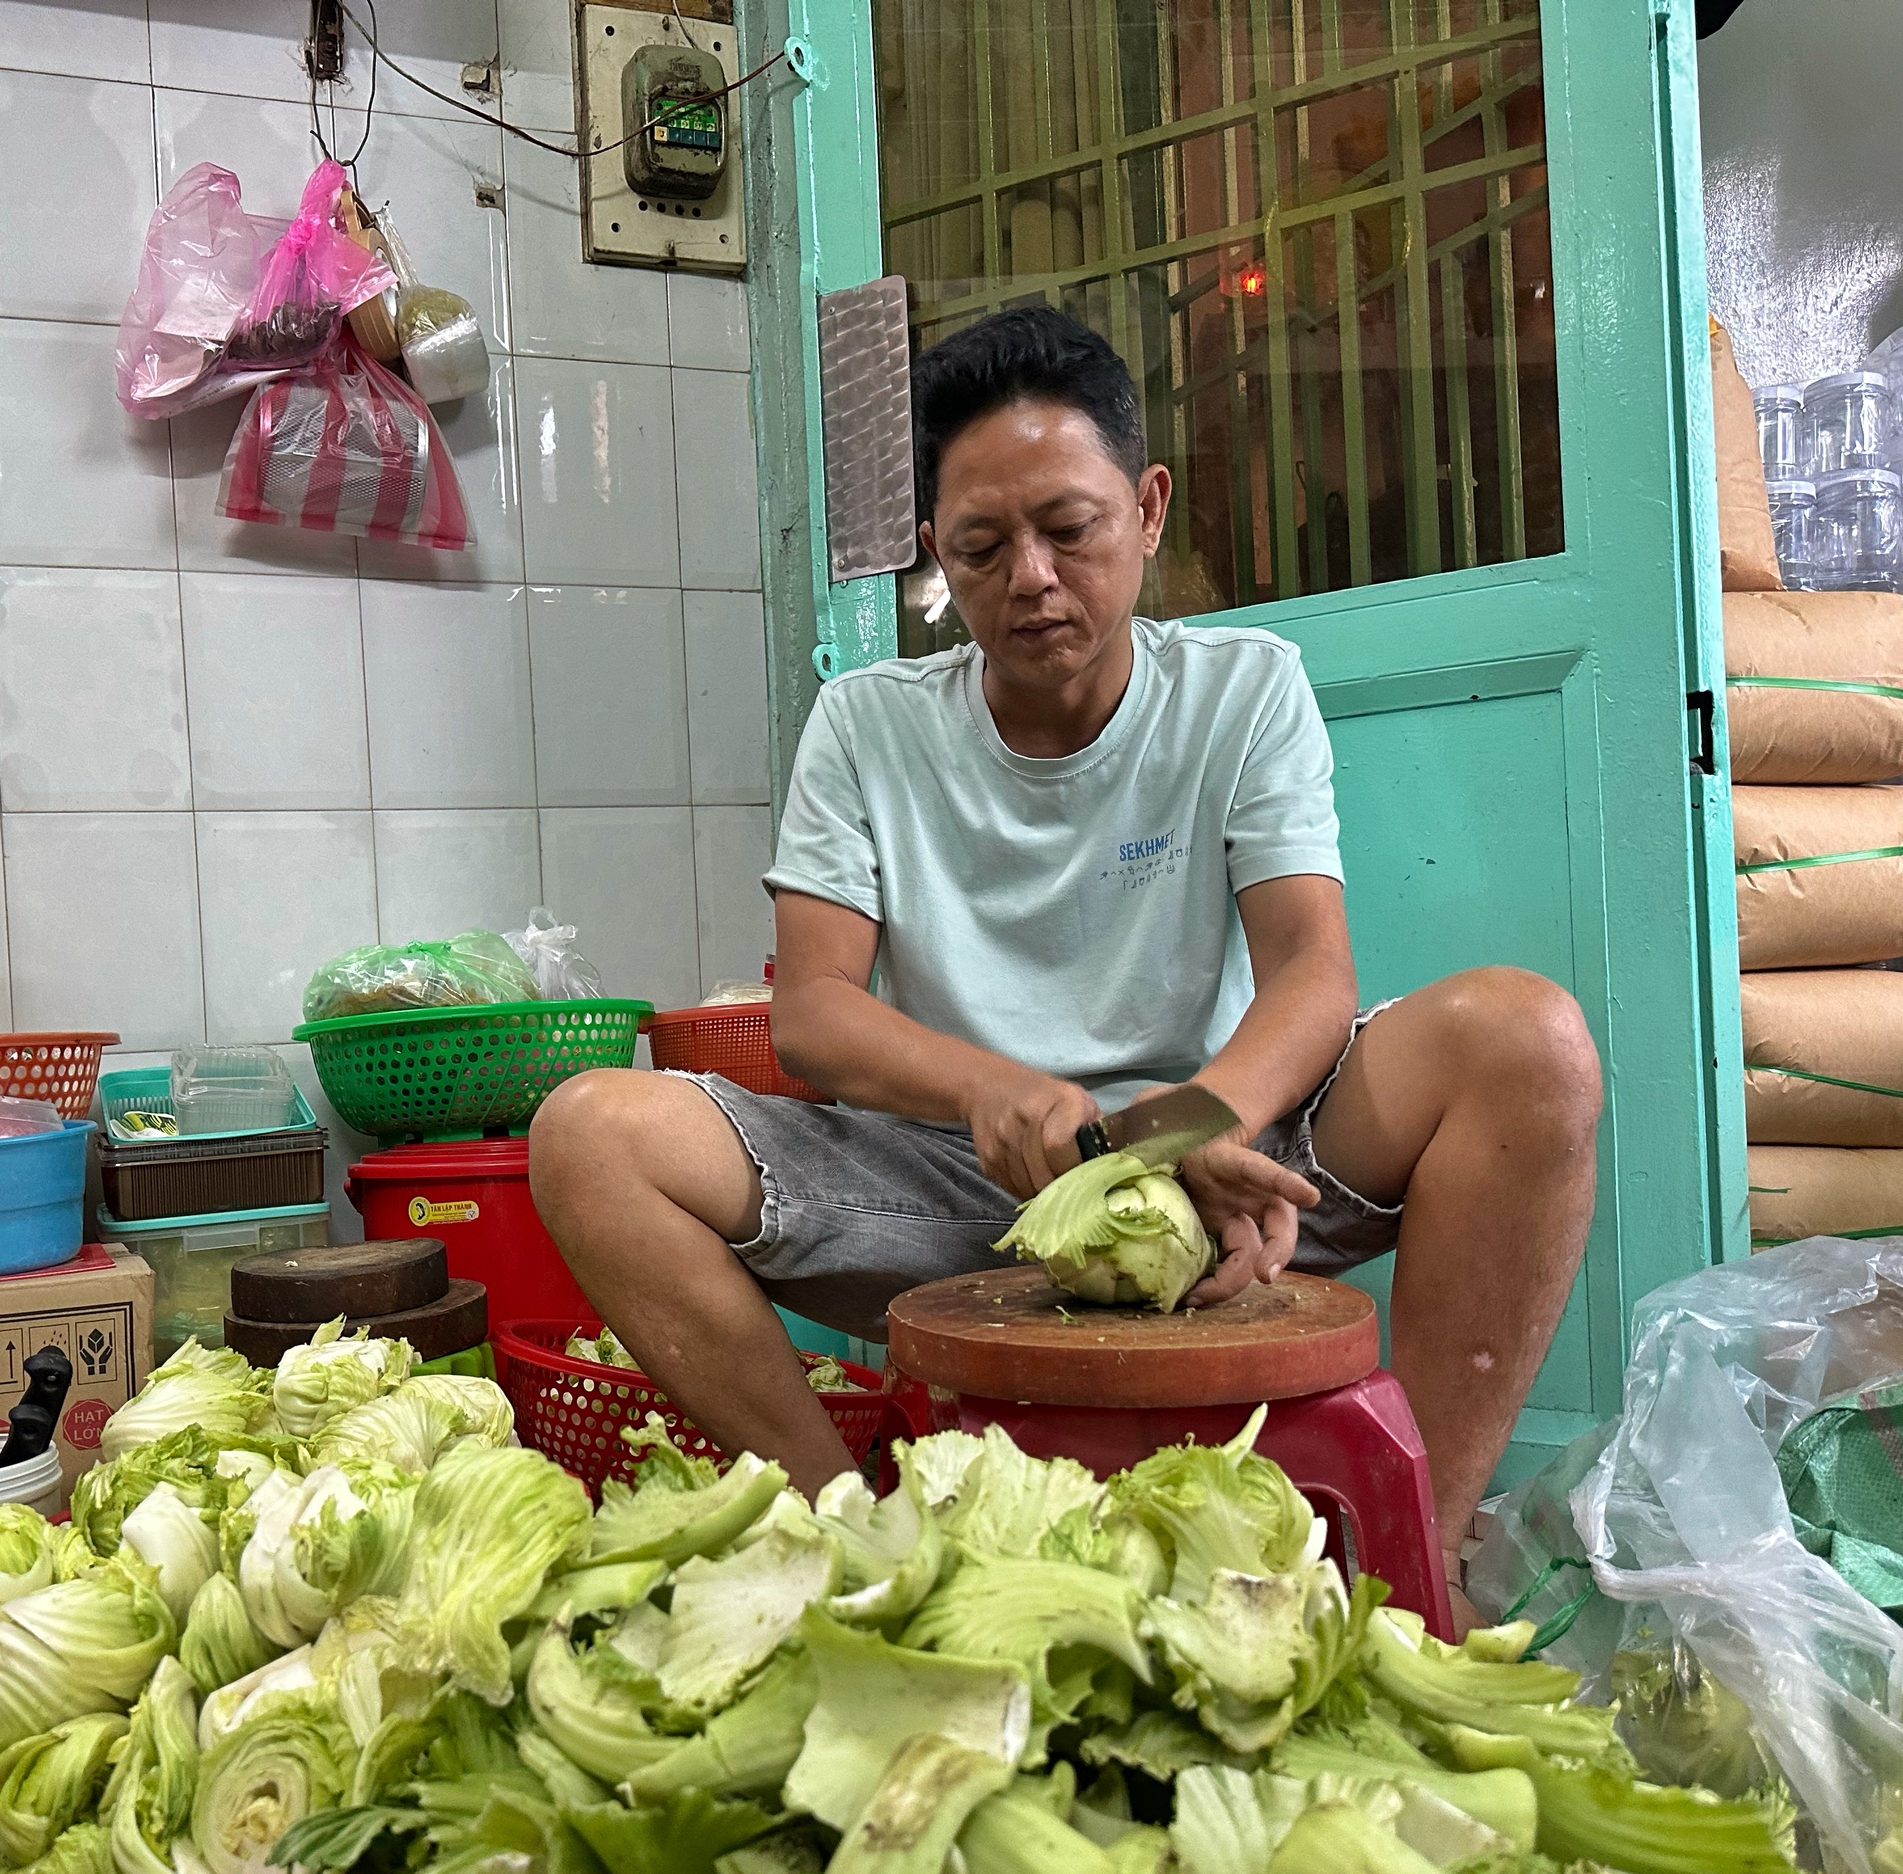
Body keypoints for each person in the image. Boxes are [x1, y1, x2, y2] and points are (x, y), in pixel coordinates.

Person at [529, 307, 1602, 1559]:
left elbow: (1312, 969)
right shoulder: (865, 723)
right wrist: (995, 1090)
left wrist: (1187, 1129)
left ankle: (1416, 1543)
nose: (1029, 577)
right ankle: (855, 1536)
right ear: (934, 553)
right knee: (588, 1134)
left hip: (1212, 1145)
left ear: (1146, 510)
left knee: (1527, 1041)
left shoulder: (1239, 689)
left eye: (1069, 529)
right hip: (950, 1175)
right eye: (981, 546)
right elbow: (813, 1013)